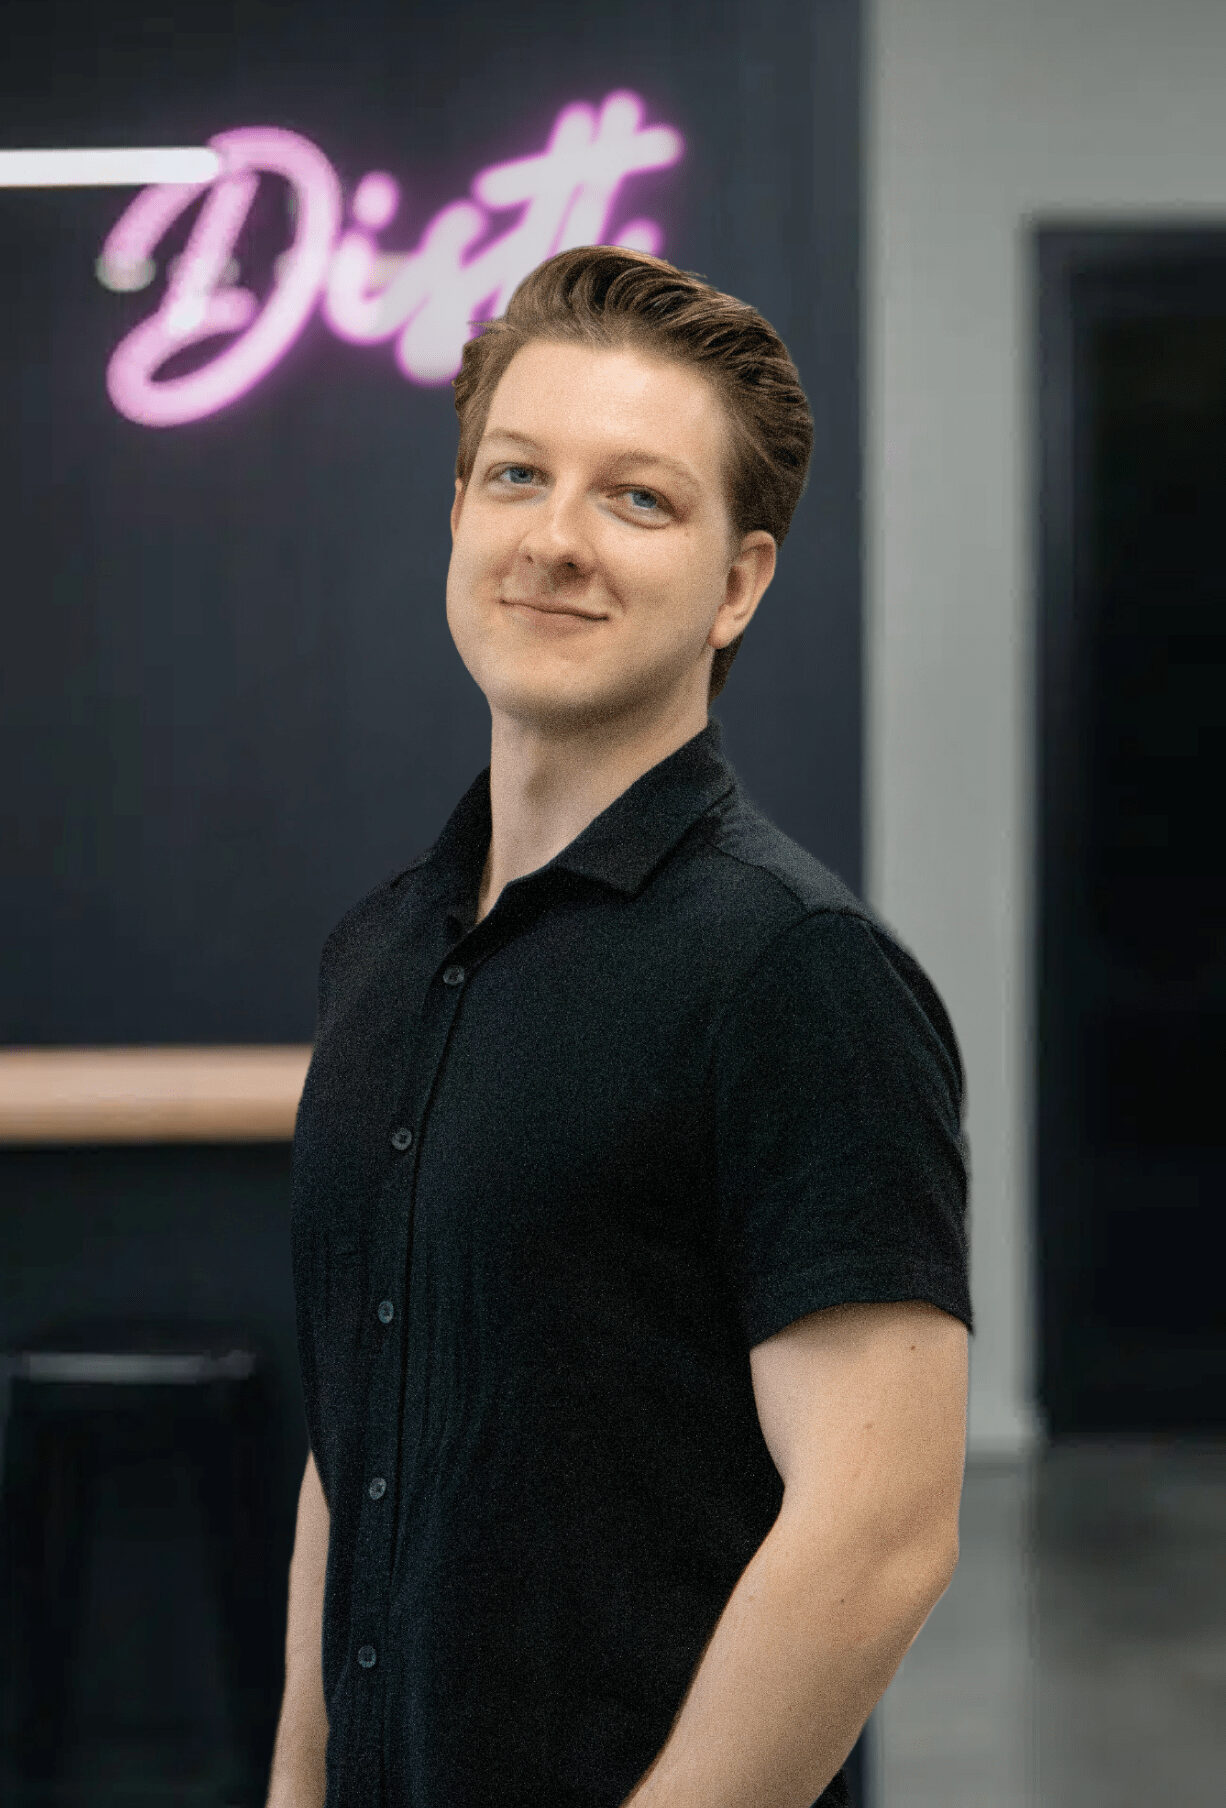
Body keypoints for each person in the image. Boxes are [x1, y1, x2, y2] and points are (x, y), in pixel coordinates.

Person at [268, 245, 973, 1808]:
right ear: (457, 519)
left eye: (638, 499)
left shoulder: (793, 971)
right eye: (516, 475)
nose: (555, 539)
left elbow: (878, 1530)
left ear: (737, 582)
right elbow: (356, 1442)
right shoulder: (379, 952)